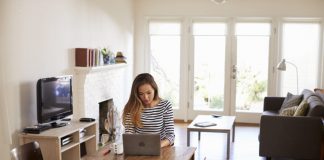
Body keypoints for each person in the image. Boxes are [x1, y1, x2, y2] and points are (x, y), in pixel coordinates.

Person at [122, 73, 175, 147]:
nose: (145, 97)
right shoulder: (132, 107)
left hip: (160, 148)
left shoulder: (165, 105)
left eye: (149, 93)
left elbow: (171, 136)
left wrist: (157, 145)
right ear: (136, 94)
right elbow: (129, 135)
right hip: (138, 148)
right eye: (141, 94)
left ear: (155, 90)